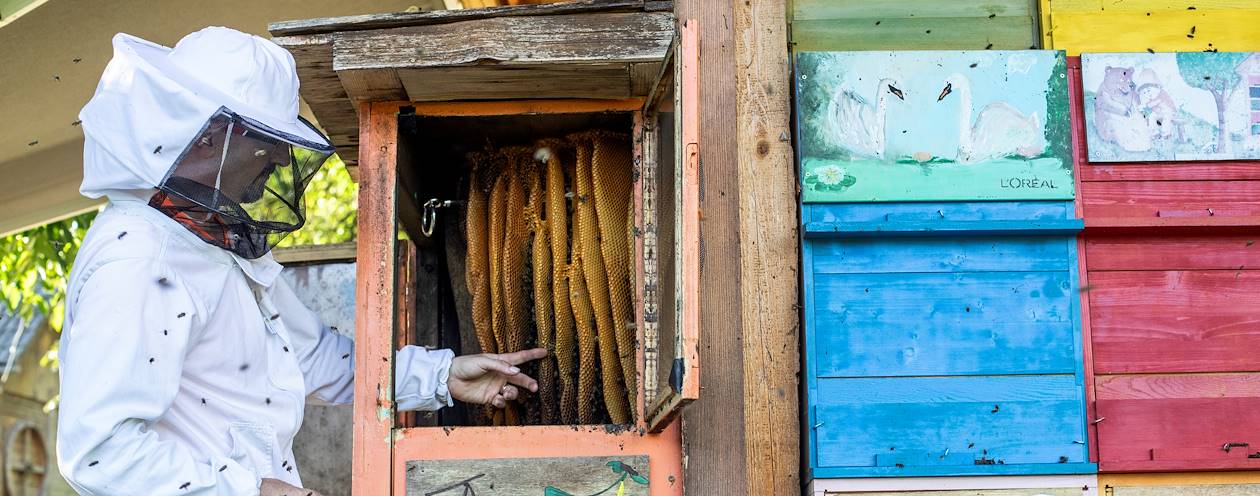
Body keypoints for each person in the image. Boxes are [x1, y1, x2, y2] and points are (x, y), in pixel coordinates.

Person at [56, 26, 546, 496]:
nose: (277, 161)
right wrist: (255, 492)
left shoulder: (212, 241)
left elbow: (313, 359)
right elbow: (100, 452)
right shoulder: (141, 258)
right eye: (266, 143)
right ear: (213, 137)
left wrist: (441, 376)